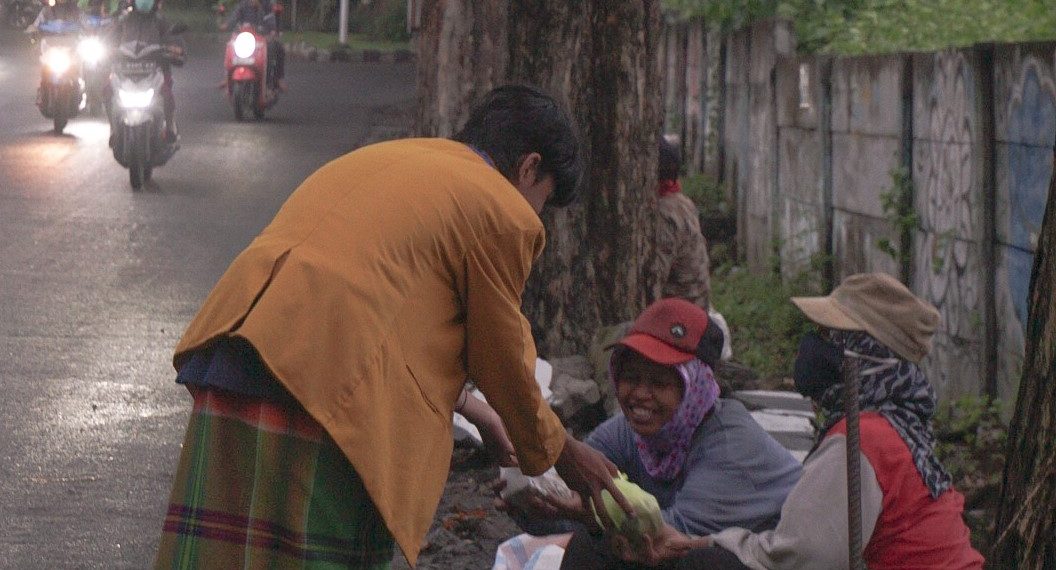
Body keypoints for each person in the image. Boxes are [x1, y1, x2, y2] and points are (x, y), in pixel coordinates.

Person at [154, 85, 636, 568]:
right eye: (543, 200)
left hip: (238, 355)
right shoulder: (500, 207)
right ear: (530, 167)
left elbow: (396, 309)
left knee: (222, 556)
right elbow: (501, 357)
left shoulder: (399, 157)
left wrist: (479, 412)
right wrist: (567, 455)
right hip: (329, 386)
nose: (535, 216)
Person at [693, 273, 985, 569]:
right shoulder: (900, 425)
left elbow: (801, 557)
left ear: (863, 353)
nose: (812, 347)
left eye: (827, 336)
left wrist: (709, 544)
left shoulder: (860, 439)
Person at [498, 298, 803, 569]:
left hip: (767, 560)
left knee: (695, 563)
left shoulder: (730, 445)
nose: (640, 395)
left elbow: (667, 537)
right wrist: (532, 502)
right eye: (630, 378)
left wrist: (579, 513)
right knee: (592, 546)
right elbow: (575, 490)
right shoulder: (630, 433)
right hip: (684, 547)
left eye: (659, 383)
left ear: (693, 389)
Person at [105, 0, 184, 142]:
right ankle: (113, 129)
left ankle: (170, 127)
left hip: (155, 70)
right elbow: (108, 39)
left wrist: (175, 49)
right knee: (107, 90)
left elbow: (174, 40)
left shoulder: (161, 21)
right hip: (125, 70)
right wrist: (106, 49)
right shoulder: (124, 20)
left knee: (166, 92)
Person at [655, 137, 711, 311]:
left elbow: (654, 281)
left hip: (678, 322)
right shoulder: (681, 202)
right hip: (694, 312)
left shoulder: (664, 214)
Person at [221, 0, 286, 92]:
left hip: (262, 38)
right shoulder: (243, 5)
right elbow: (234, 17)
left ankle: (277, 79)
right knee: (230, 46)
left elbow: (271, 21)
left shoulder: (267, 5)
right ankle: (227, 76)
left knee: (277, 47)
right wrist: (226, 25)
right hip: (246, 38)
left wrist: (272, 32)